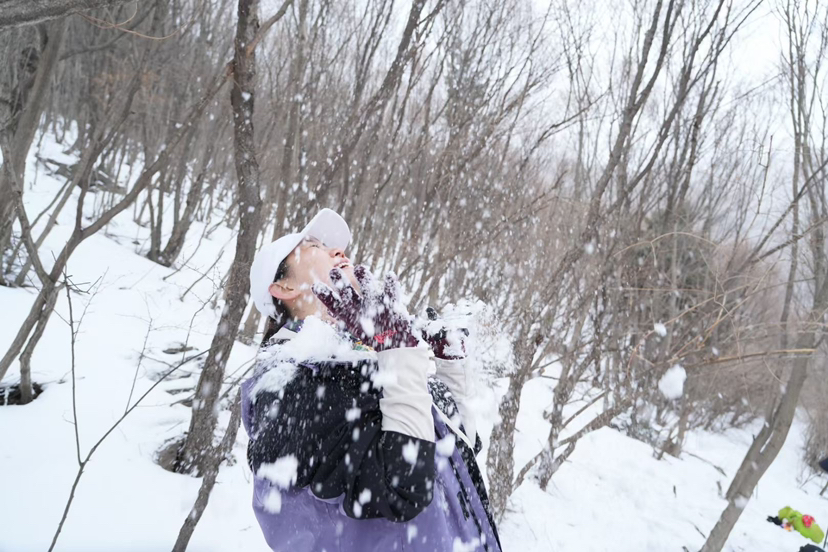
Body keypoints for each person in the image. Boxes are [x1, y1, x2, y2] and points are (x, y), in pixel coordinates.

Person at [241, 208, 501, 552]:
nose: (339, 251)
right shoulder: (288, 385)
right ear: (283, 287)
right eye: (315, 246)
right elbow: (404, 486)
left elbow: (458, 448)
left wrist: (449, 364)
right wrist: (397, 350)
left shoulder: (369, 358)